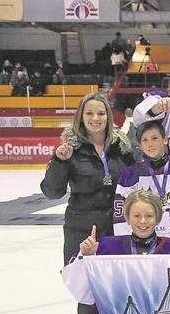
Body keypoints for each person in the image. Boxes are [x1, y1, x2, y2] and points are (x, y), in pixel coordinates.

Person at [41, 93, 135, 265]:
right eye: (89, 113)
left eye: (101, 113)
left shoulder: (122, 149)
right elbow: (52, 192)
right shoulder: (70, 149)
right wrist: (60, 162)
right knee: (82, 285)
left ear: (108, 116)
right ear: (81, 117)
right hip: (81, 230)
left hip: (117, 230)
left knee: (116, 285)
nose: (95, 118)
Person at [113, 121, 170, 249]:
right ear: (139, 145)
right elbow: (121, 217)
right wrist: (130, 249)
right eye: (145, 140)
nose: (150, 144)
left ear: (165, 139)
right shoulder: (129, 175)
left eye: (155, 138)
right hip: (142, 247)